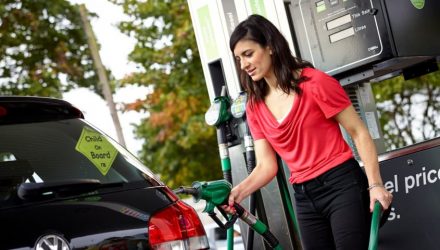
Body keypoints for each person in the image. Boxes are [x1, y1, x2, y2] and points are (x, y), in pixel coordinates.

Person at [225, 14, 393, 250]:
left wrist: (375, 185)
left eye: (248, 54)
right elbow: (266, 165)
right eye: (238, 59)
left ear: (270, 47)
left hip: (341, 185)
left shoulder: (314, 83)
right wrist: (237, 192)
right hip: (304, 197)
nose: (243, 65)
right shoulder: (255, 105)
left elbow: (359, 133)